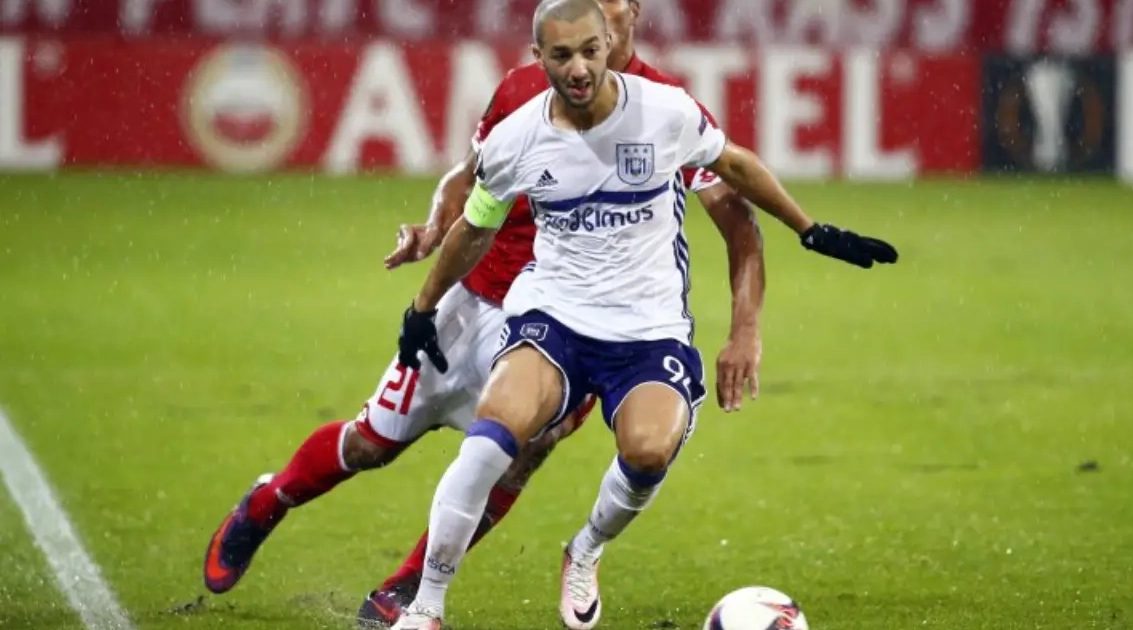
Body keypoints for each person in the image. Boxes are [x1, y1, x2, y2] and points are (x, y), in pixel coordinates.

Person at [201, 0, 767, 623]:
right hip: (473, 303)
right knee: (372, 443)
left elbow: (736, 216)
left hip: (575, 326)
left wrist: (746, 328)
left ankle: (410, 588)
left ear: (632, 12)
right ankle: (271, 499)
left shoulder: (664, 107)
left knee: (515, 458)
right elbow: (468, 175)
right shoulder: (526, 88)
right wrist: (434, 227)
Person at [389, 1, 898, 628]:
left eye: (589, 51)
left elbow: (734, 163)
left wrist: (809, 229)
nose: (579, 69)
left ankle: (585, 549)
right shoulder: (516, 138)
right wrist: (423, 307)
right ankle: (426, 606)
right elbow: (475, 227)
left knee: (649, 452)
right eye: (561, 55)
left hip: (648, 328)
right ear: (538, 57)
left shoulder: (664, 111)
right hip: (554, 317)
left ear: (608, 43)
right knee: (492, 436)